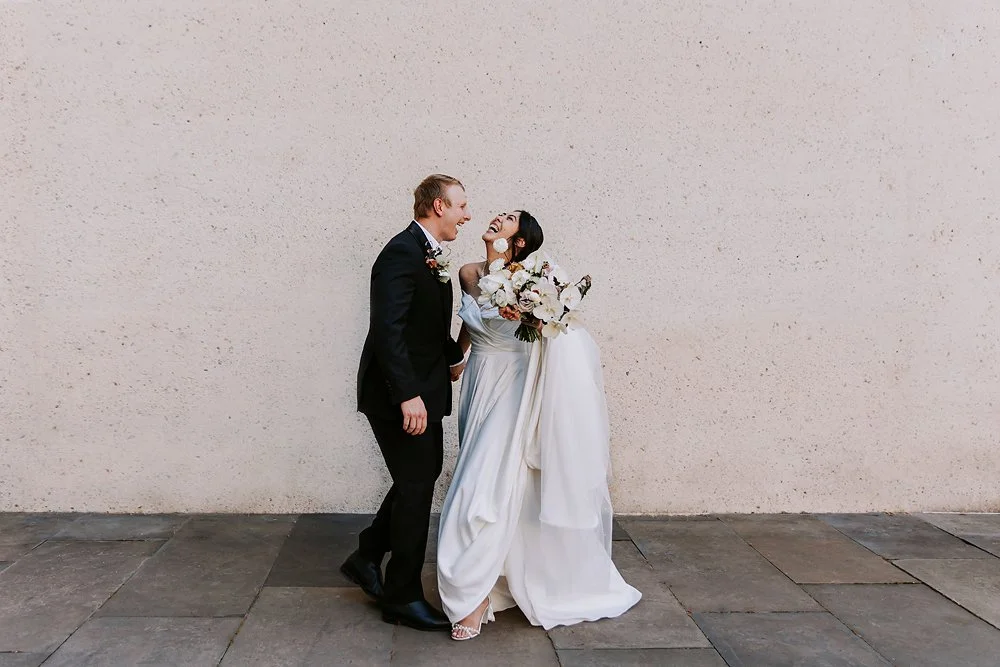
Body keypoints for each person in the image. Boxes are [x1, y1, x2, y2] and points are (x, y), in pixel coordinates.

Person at [437, 211, 641, 640]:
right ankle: (501, 578)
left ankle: (471, 596)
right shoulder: (468, 271)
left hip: (517, 385)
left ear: (522, 242)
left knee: (487, 482)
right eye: (501, 214)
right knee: (499, 478)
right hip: (479, 380)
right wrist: (456, 358)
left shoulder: (536, 279)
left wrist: (532, 314)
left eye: (508, 219)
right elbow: (470, 323)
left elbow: (555, 332)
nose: (497, 218)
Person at [343, 174, 470, 631]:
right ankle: (401, 596)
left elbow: (428, 327)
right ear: (438, 206)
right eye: (460, 205)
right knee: (417, 485)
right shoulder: (400, 252)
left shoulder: (426, 254)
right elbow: (388, 331)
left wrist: (454, 357)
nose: (466, 215)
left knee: (418, 476)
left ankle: (368, 555)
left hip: (424, 388)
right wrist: (408, 396)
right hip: (400, 395)